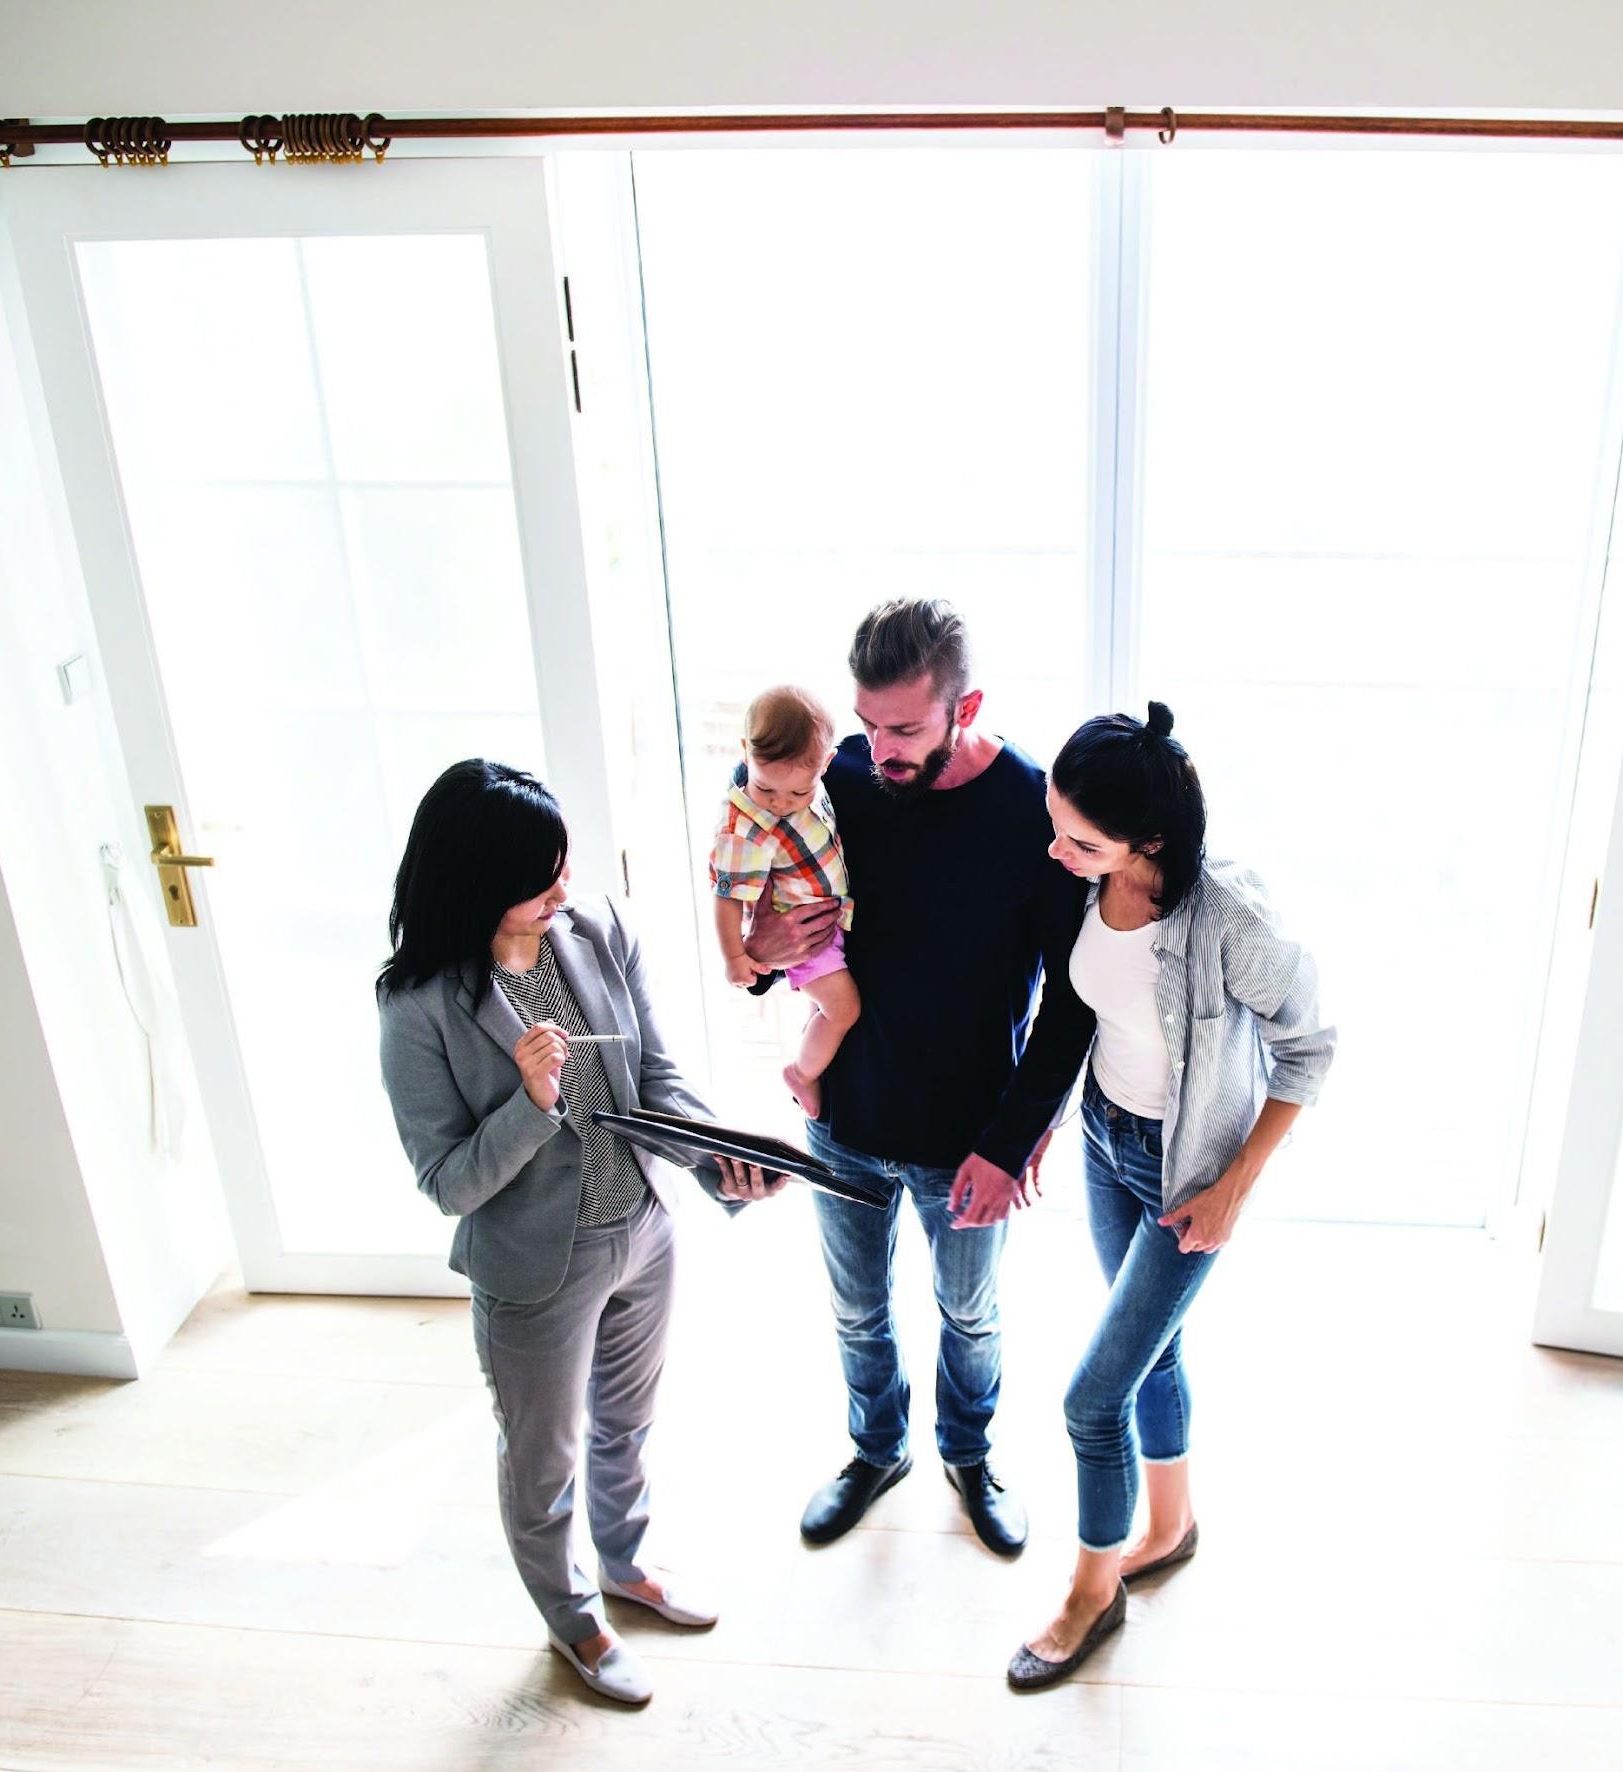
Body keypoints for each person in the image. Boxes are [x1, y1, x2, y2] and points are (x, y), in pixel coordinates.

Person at [376, 759, 788, 1707]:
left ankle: (626, 1564)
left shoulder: (596, 930)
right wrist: (532, 1102)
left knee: (627, 1424)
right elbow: (447, 1183)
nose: (564, 890)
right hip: (535, 1272)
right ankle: (571, 1617)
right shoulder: (419, 1006)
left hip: (642, 1228)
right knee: (543, 1460)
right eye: (540, 878)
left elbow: (655, 1079)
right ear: (477, 883)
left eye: (563, 865)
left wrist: (720, 1158)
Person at [741, 599, 1094, 1558]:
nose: (877, 750)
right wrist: (763, 949)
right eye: (866, 723)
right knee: (856, 1309)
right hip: (844, 1120)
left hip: (968, 1136)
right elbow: (767, 920)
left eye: (902, 729)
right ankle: (876, 1449)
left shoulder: (1032, 810)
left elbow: (1072, 1002)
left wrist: (1011, 1142)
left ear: (964, 707)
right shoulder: (834, 780)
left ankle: (969, 1456)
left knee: (969, 1314)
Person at [1006, 704, 1335, 1691]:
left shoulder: (1230, 919)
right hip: (1107, 1138)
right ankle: (1172, 1524)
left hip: (1184, 1172)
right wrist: (1045, 1122)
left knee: (1092, 1398)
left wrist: (1234, 1186)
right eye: (1056, 826)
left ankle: (1089, 1594)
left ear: (1149, 838)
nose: (1057, 852)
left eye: (1081, 840)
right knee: (1153, 1352)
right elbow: (1086, 1014)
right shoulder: (1087, 882)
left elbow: (1310, 1049)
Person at [708, 685, 860, 1119]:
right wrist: (736, 956)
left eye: (797, 794)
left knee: (822, 1008)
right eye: (765, 788)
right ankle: (801, 1074)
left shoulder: (814, 778)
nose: (779, 804)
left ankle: (811, 1060)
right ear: (744, 752)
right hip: (803, 935)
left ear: (826, 764)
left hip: (828, 923)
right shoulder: (745, 827)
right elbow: (726, 897)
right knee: (843, 1009)